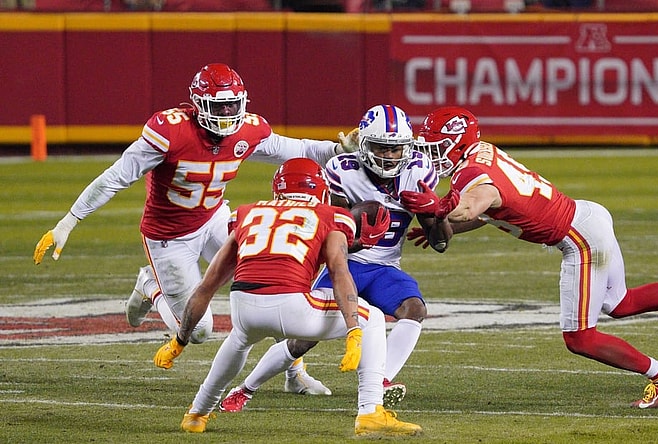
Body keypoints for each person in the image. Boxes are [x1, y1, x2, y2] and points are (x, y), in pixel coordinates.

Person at [400, 106, 658, 409]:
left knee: (580, 338)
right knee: (619, 303)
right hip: (587, 216)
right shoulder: (481, 154)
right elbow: (490, 211)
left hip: (578, 238)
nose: (429, 154)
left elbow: (474, 205)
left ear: (455, 145)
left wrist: (439, 208)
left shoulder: (473, 174)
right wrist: (446, 222)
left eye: (434, 147)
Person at [32, 62, 357, 394]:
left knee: (276, 277)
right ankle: (149, 285)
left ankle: (294, 374)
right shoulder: (169, 132)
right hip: (168, 238)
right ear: (199, 104)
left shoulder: (247, 129)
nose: (229, 113)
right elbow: (117, 176)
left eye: (234, 105)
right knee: (199, 331)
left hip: (214, 218)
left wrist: (338, 149)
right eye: (220, 106)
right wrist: (68, 222)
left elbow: (299, 149)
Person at [152, 158, 422, 436]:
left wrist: (180, 340)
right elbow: (340, 273)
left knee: (239, 340)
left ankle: (197, 413)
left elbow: (206, 286)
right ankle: (370, 412)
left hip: (243, 305)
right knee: (374, 318)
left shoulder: (247, 213)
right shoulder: (332, 216)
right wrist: (353, 328)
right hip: (293, 306)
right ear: (320, 188)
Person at [217, 104, 453, 414]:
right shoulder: (343, 171)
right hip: (344, 264)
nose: (390, 156)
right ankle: (245, 389)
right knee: (304, 340)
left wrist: (436, 211)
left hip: (384, 268)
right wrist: (358, 231)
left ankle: (380, 381)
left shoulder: (419, 171)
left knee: (414, 309)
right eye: (382, 147)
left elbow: (440, 243)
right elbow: (328, 234)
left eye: (396, 149)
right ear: (365, 146)